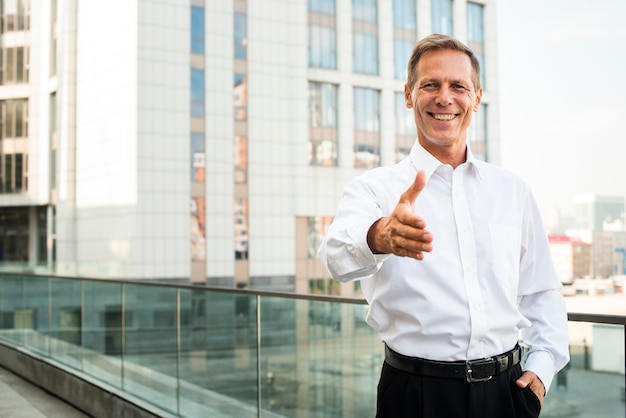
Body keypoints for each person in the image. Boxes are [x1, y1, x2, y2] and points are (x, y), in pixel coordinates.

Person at [318, 34, 569, 418]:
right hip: (414, 396)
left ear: (477, 97)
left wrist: (542, 369)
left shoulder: (512, 190)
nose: (444, 98)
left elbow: (542, 290)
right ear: (408, 94)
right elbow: (335, 257)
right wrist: (379, 236)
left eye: (458, 86)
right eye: (430, 85)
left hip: (508, 394)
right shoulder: (374, 188)